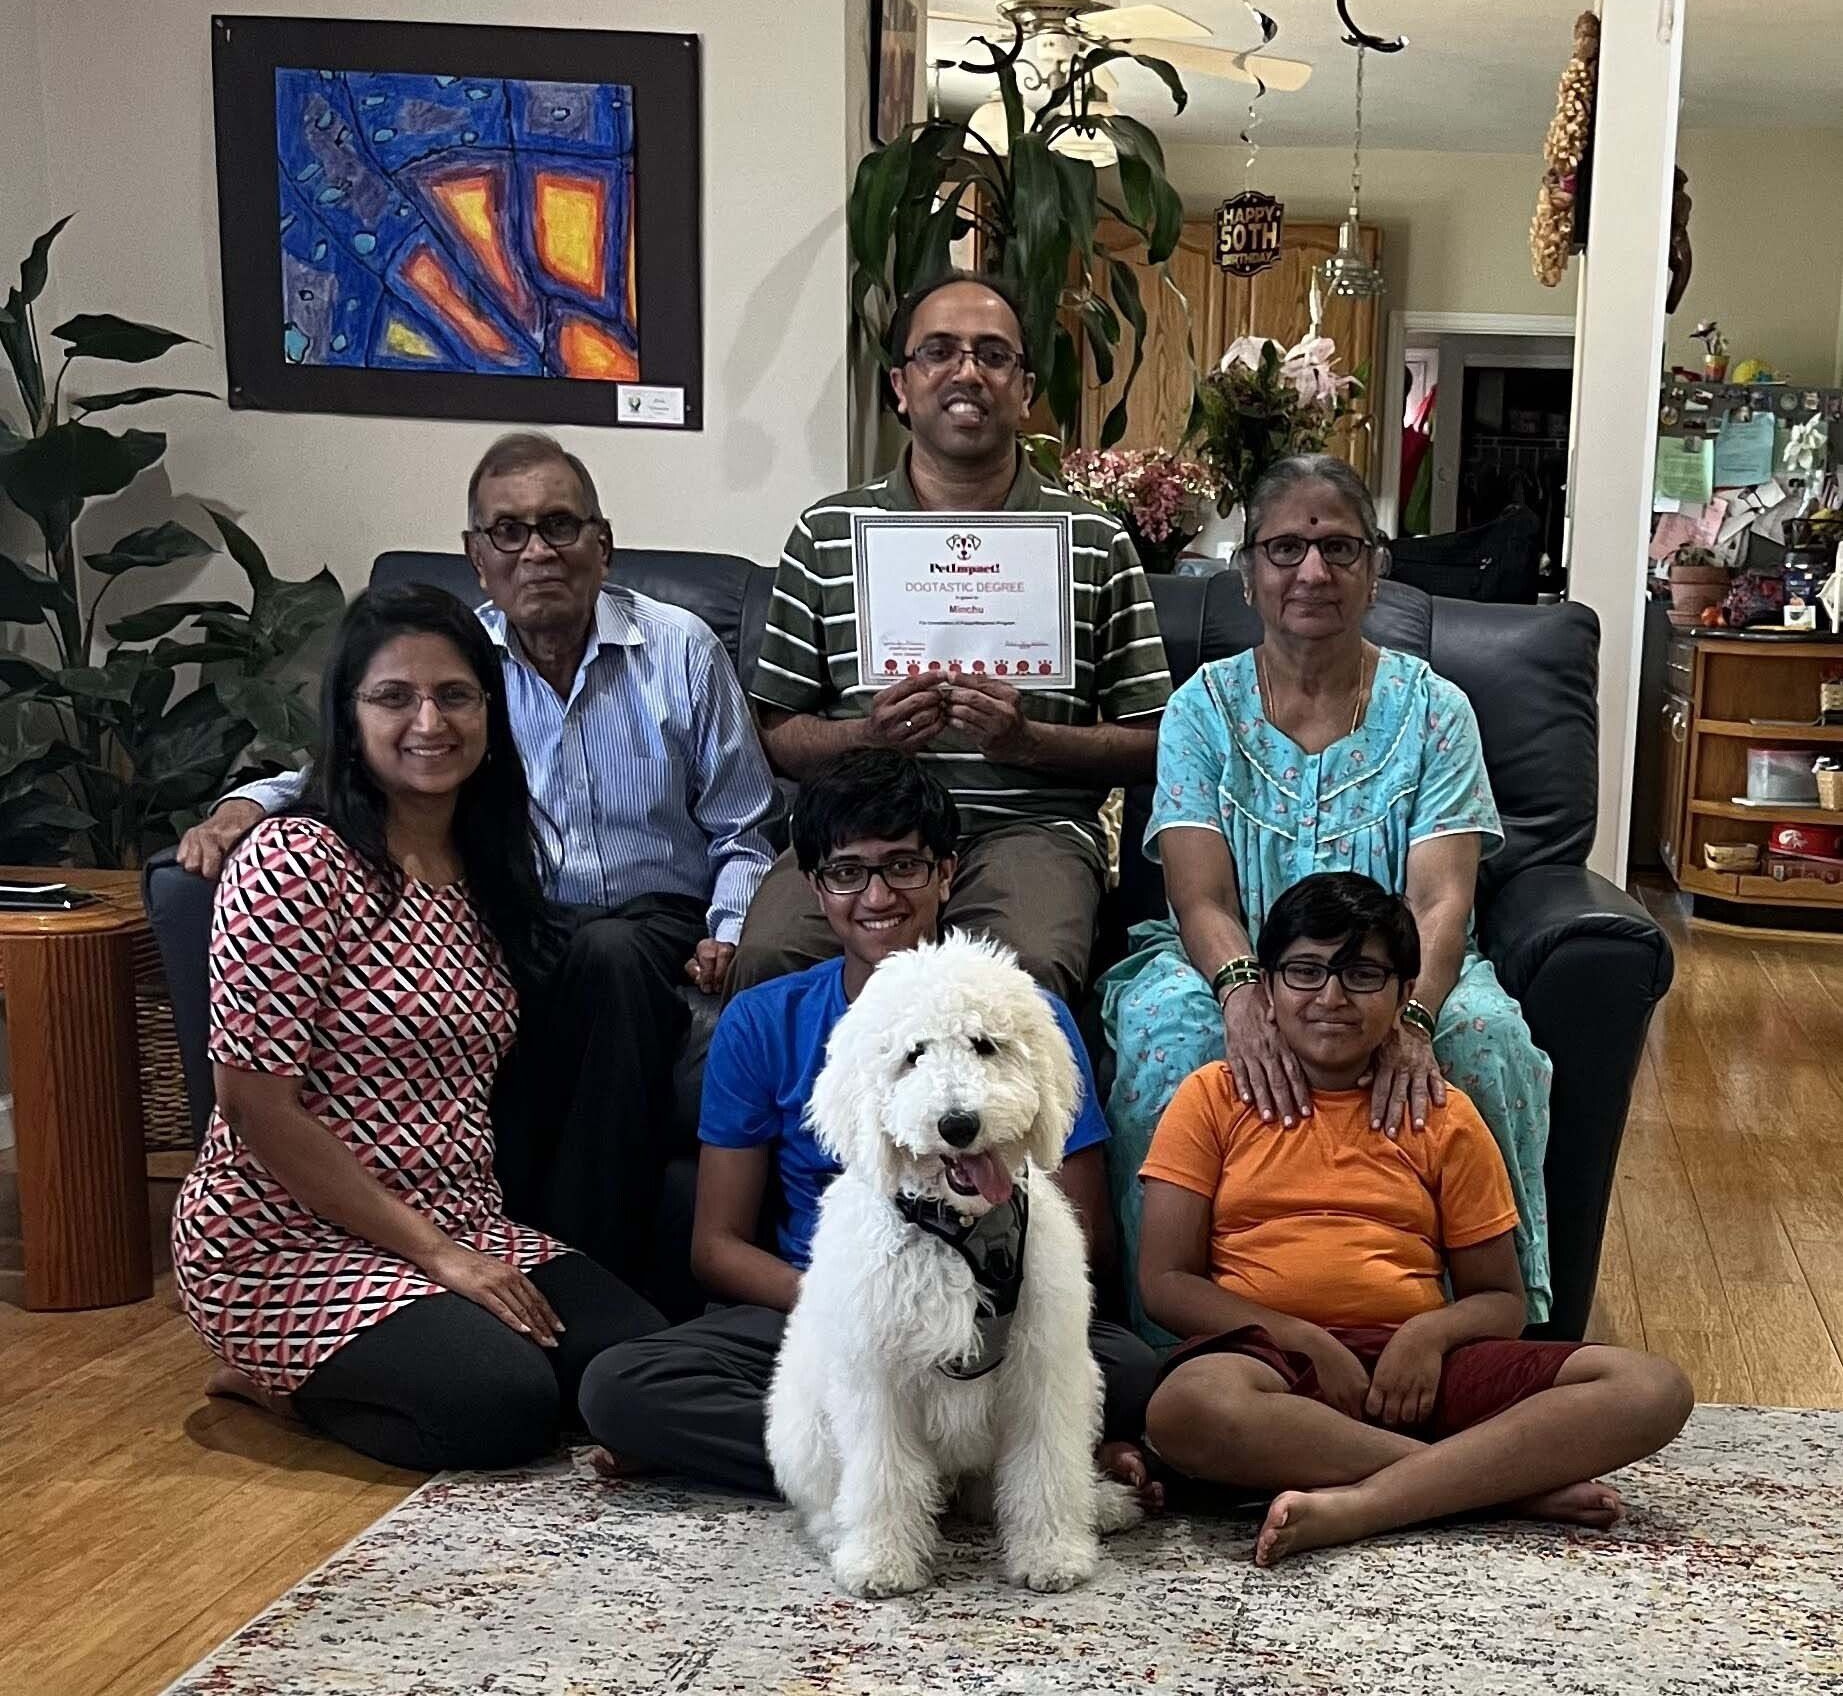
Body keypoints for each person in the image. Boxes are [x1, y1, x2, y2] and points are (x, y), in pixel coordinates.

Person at [177, 431, 777, 1282]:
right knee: (489, 979)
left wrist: (727, 927)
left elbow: (745, 825)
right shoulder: (459, 668)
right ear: (478, 557)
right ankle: (469, 1243)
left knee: (602, 958)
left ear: (602, 546)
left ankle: (585, 1262)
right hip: (515, 912)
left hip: (653, 922)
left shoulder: (681, 648)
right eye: (510, 531)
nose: (538, 551)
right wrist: (246, 804)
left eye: (560, 525)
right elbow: (366, 754)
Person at [578, 749, 1162, 1503]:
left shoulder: (1023, 1011)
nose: (877, 896)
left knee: (1129, 1368)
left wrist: (967, 1307)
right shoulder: (762, 1019)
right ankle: (934, 1482)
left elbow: (1082, 1228)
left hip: (1000, 1310)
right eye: (847, 872)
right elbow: (715, 1248)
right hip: (829, 1310)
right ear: (816, 888)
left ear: (946, 873)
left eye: (903, 867)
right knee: (621, 1388)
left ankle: (935, 1474)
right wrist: (855, 1311)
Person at [170, 586, 665, 1470]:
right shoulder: (293, 860)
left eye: (455, 695)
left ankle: (411, 1351)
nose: (428, 721)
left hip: (463, 1221)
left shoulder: (486, 866)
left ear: (489, 711)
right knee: (501, 1408)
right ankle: (270, 1376)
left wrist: (460, 1250)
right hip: (286, 1241)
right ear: (349, 717)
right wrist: (439, 1258)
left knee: (633, 1367)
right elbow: (255, 1110)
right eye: (394, 697)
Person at [1100, 452, 1555, 1338]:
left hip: (1398, 970)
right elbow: (1199, 896)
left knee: (1487, 1039)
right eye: (1284, 549)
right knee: (1170, 1035)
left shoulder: (1435, 710)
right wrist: (1241, 994)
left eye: (1339, 547)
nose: (1312, 572)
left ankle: (1485, 1330)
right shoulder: (1200, 708)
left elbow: (1439, 902)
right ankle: (1168, 1335)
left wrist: (1410, 1018)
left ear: (1376, 566)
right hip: (1226, 958)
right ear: (1245, 572)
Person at [1137, 872, 1692, 1565]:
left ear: (1405, 996)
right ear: (1268, 991)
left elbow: (1501, 1300)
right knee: (1186, 1409)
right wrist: (1304, 1340)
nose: (1330, 998)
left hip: (1417, 1369)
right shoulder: (1213, 1097)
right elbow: (1164, 1281)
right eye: (1304, 972)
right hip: (1270, 1363)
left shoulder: (1441, 1112)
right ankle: (1487, 1485)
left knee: (1650, 1388)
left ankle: (1366, 1502)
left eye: (1361, 975)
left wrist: (1428, 1337)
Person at [733, 270, 1173, 1005]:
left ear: (1025, 390)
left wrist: (1025, 741)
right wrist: (869, 736)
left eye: (993, 355)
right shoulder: (826, 533)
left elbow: (1152, 741)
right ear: (900, 387)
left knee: (1022, 975)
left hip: (1024, 831)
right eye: (937, 351)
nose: (966, 371)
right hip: (858, 832)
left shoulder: (1093, 540)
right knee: (774, 957)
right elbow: (777, 734)